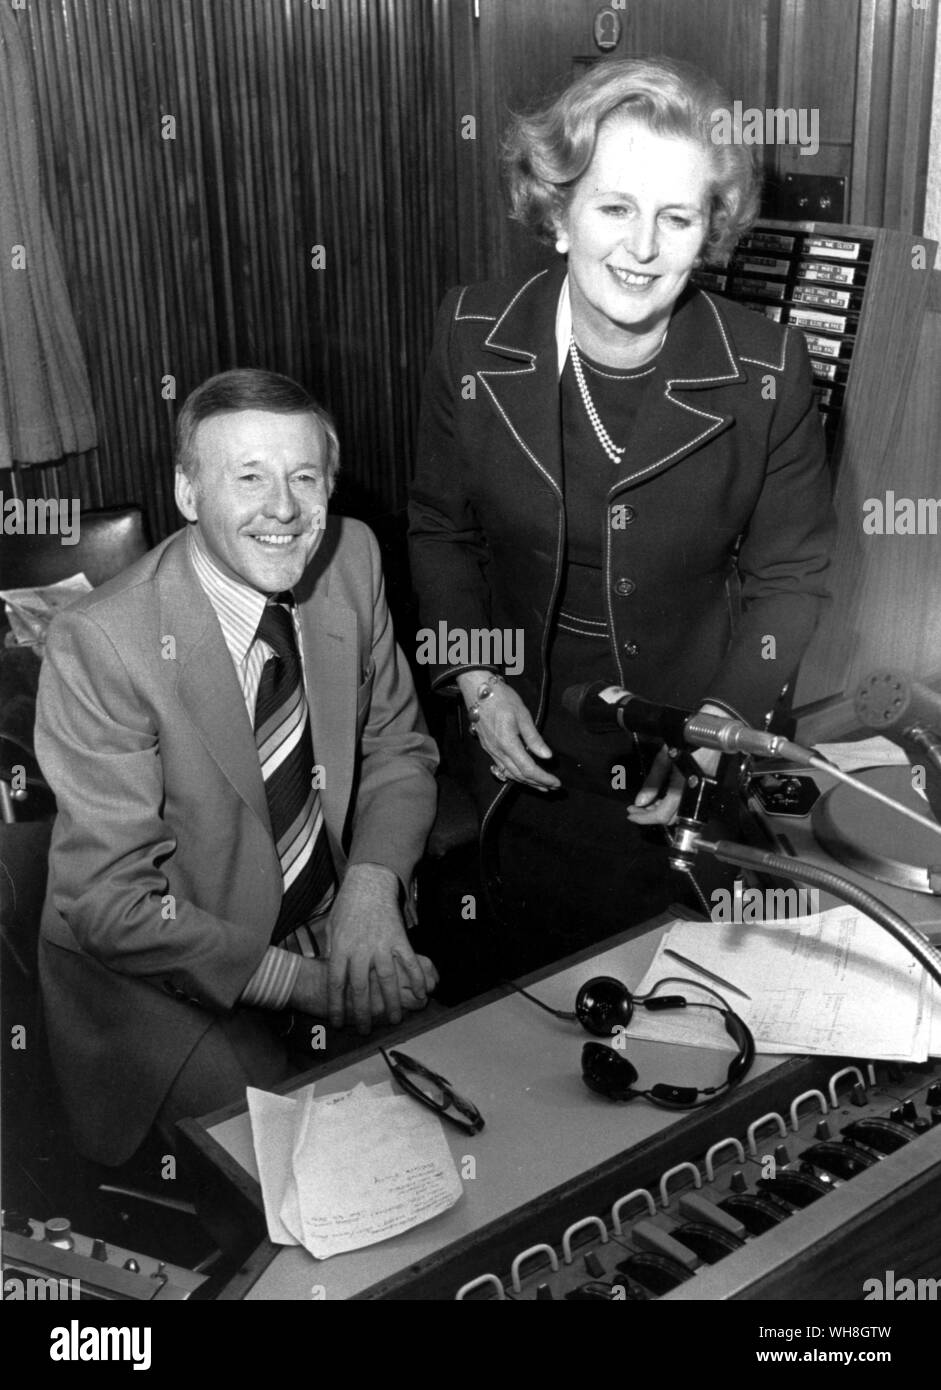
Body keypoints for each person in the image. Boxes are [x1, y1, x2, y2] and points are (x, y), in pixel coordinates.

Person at [408, 57, 834, 973]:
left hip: (689, 740)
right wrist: (475, 686)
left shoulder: (769, 367)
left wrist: (716, 728)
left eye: (675, 217)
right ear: (558, 214)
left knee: (681, 1002)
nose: (641, 247)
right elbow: (440, 530)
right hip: (519, 737)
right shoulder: (466, 334)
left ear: (706, 234)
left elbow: (789, 578)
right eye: (613, 208)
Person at [35, 369, 439, 1166]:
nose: (282, 508)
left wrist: (369, 889)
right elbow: (110, 906)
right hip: (165, 977)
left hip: (326, 923)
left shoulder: (351, 556)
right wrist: (306, 984)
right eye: (247, 477)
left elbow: (399, 748)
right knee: (304, 1185)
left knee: (465, 1112)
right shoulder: (102, 641)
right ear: (188, 493)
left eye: (303, 477)